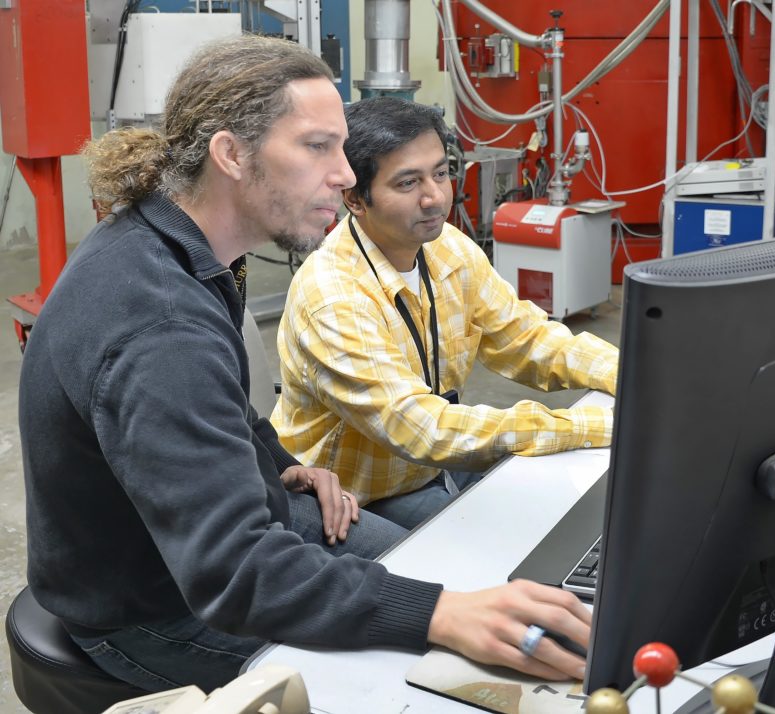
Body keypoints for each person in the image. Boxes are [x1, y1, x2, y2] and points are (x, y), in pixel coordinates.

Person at [18, 35, 589, 694]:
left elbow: (225, 403)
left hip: (225, 544)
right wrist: (438, 616)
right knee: (439, 673)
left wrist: (283, 461)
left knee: (456, 591)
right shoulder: (159, 326)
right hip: (154, 608)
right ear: (231, 155)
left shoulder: (175, 244)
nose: (346, 175)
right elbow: (236, 575)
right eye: (317, 147)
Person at [272, 96, 619, 530]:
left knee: (560, 510)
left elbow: (526, 338)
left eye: (440, 173)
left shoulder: (447, 247)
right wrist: (589, 425)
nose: (435, 198)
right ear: (356, 199)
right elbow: (420, 428)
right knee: (494, 552)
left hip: (426, 466)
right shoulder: (333, 296)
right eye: (407, 183)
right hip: (350, 495)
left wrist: (628, 375)